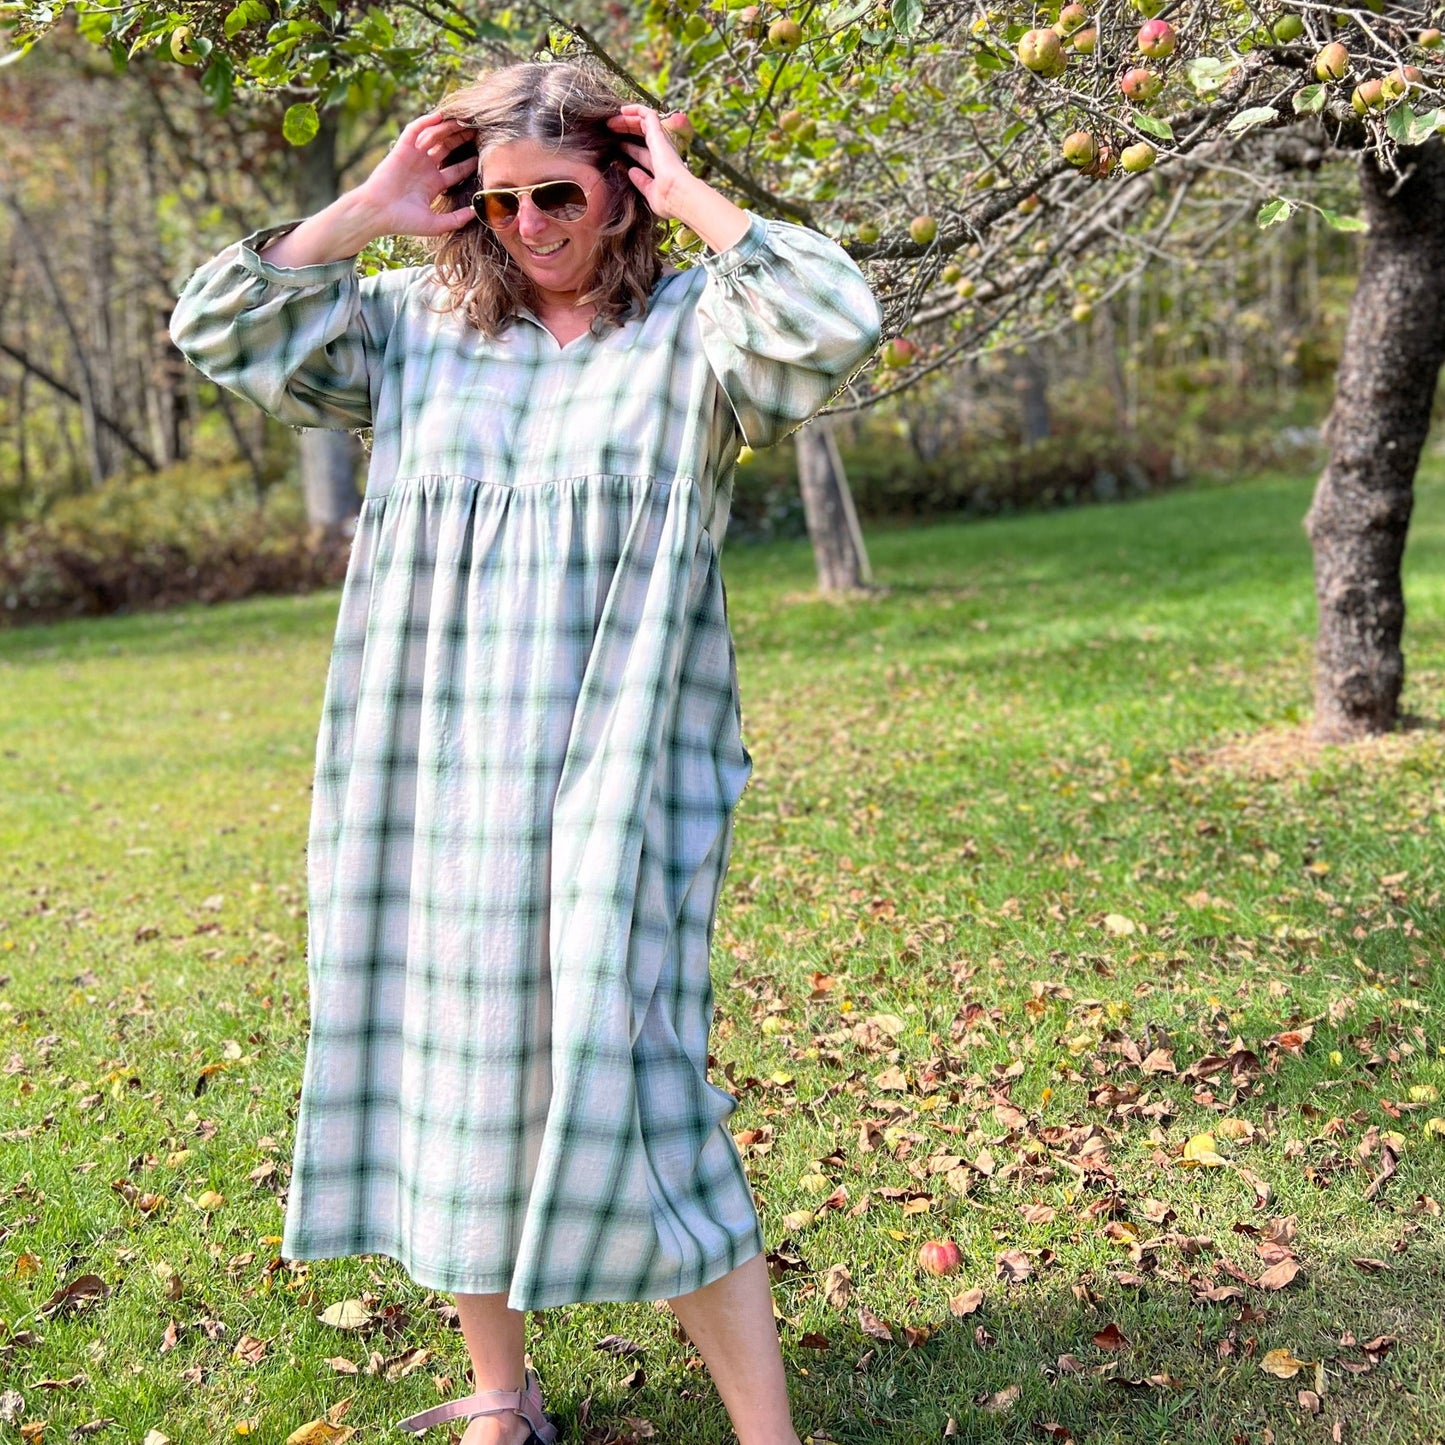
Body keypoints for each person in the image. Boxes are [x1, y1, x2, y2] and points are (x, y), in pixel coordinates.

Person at [169, 58, 881, 1445]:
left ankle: (768, 1436)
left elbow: (836, 321)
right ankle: (502, 1392)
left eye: (560, 192)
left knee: (637, 1066)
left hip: (621, 766)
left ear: (620, 192)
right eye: (499, 201)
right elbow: (217, 328)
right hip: (426, 771)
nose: (532, 224)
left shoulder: (696, 336)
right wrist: (367, 211)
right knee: (450, 1055)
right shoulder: (406, 334)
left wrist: (693, 192)